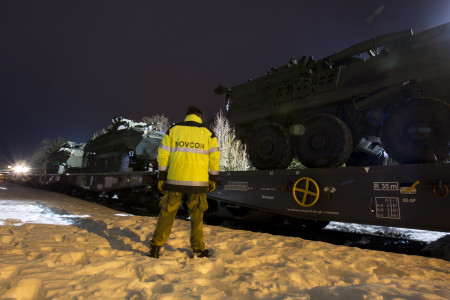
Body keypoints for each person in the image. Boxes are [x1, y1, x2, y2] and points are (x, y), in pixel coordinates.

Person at [147, 106, 220, 258]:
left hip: (175, 181)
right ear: (200, 116)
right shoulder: (208, 133)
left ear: (187, 116)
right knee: (197, 216)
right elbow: (214, 158)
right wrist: (212, 179)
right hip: (198, 183)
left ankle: (156, 247)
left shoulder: (174, 130)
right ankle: (198, 249)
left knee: (167, 213)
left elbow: (163, 155)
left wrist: (161, 176)